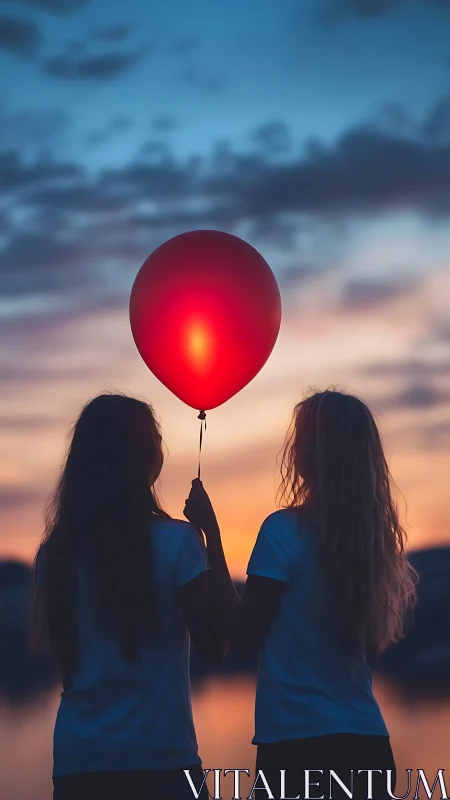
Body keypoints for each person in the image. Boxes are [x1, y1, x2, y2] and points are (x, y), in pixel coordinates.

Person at [184, 388, 418, 800]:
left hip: (296, 749)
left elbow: (240, 641)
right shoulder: (372, 543)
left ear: (312, 453)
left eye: (301, 438)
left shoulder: (283, 532)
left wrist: (212, 535)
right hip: (367, 746)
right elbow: (366, 650)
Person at [32, 393, 224, 800]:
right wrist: (212, 537)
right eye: (155, 438)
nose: (161, 447)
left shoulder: (54, 554)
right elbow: (215, 647)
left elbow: (69, 667)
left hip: (79, 763)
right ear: (139, 457)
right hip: (163, 764)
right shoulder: (178, 543)